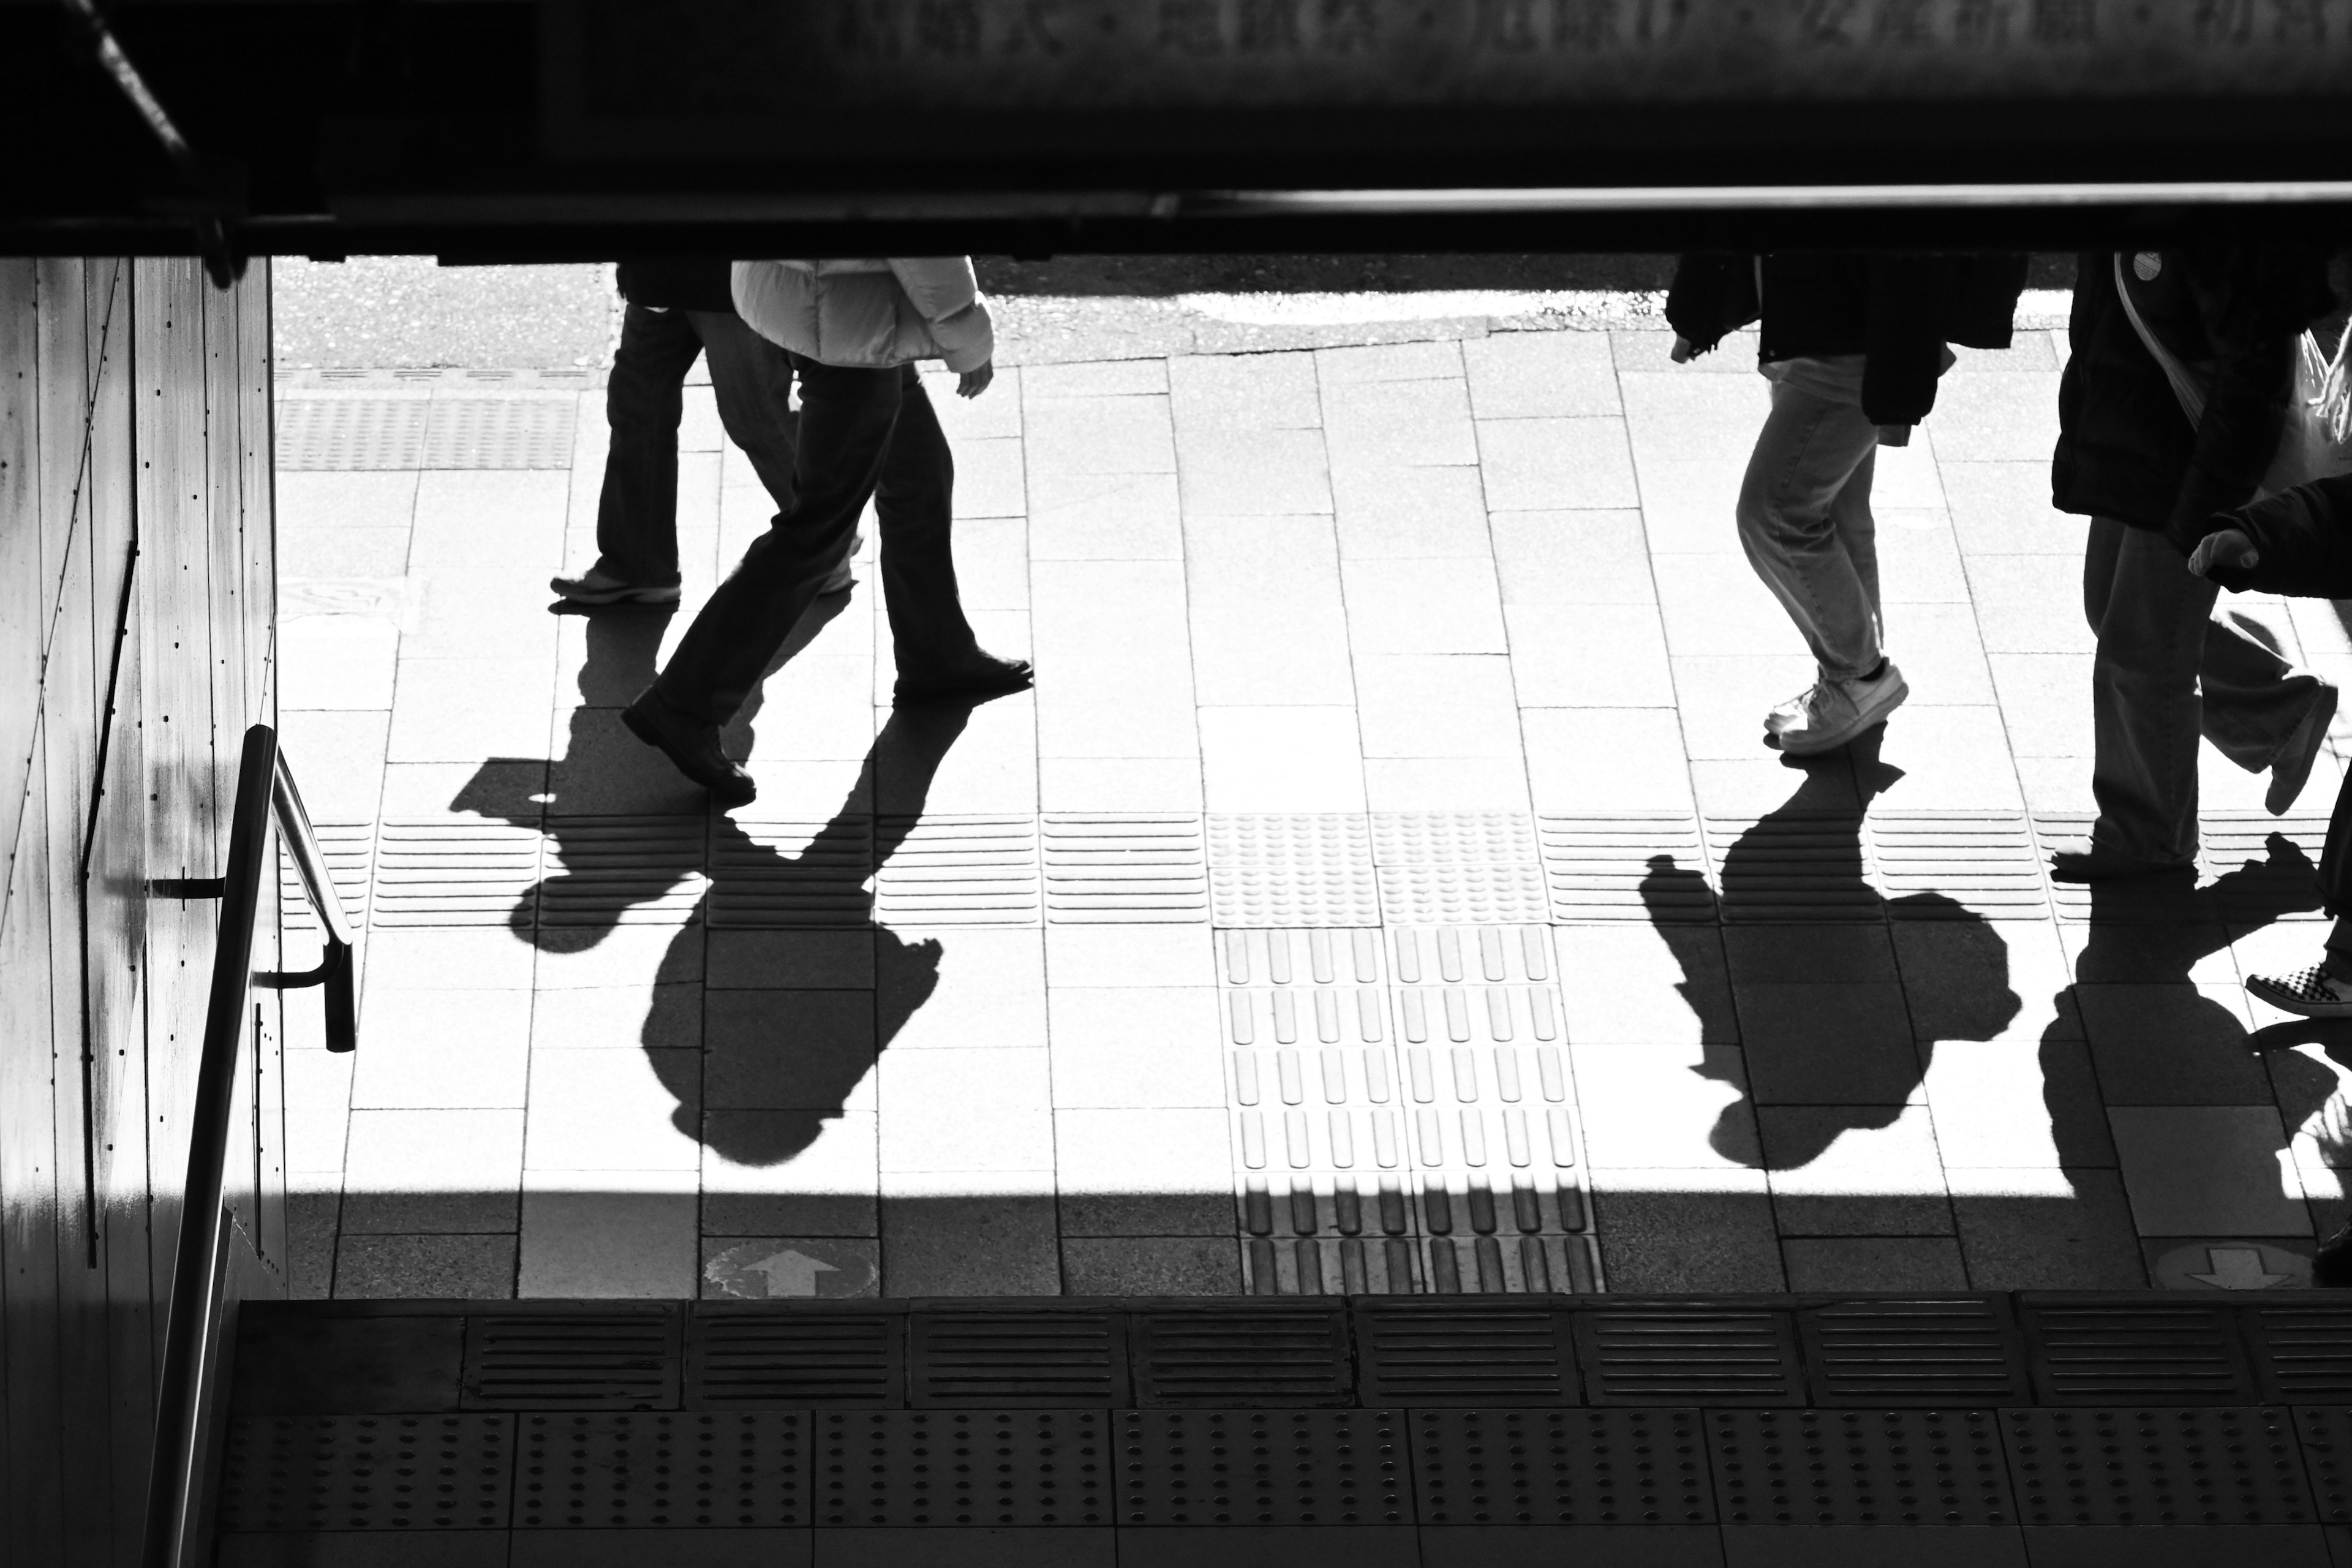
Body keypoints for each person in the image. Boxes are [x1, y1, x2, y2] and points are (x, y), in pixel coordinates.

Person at [621, 256, 1030, 807]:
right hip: (847, 314)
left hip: (830, 298)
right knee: (820, 525)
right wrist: (969, 340)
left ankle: (938, 654)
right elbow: (920, 232)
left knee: (917, 473)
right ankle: (684, 704)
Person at [2046, 243, 2339, 881]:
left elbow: (2249, 383)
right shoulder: (2131, 190)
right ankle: (2281, 711)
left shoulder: (2210, 221)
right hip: (2133, 439)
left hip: (2183, 464)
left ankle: (2148, 837)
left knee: (2142, 651)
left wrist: (2201, 512)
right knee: (2109, 608)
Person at [1665, 251, 2027, 755]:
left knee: (1776, 515)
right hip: (1813, 317)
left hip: (1847, 331)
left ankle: (1860, 677)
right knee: (1837, 512)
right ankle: (1854, 683)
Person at [552, 256, 853, 608]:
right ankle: (637, 564)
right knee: (637, 403)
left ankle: (829, 541)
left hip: (724, 274)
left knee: (755, 414)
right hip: (660, 265)